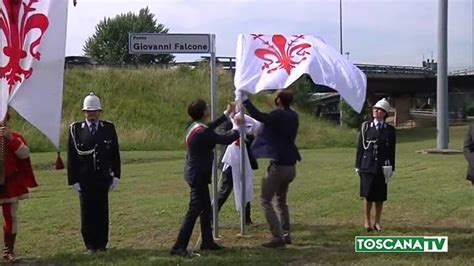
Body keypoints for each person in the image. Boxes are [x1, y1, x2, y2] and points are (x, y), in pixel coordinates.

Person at [170, 99, 241, 258]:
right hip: (198, 175)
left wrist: (226, 115)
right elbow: (226, 139)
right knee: (194, 211)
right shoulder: (203, 132)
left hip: (194, 173)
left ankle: (207, 242)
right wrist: (238, 126)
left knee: (205, 209)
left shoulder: (193, 126)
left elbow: (210, 126)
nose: (209, 107)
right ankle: (178, 246)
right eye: (207, 107)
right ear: (203, 112)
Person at [242, 90, 301, 249]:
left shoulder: (278, 115)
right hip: (291, 165)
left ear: (279, 100)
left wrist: (245, 100)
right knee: (281, 201)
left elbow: (259, 116)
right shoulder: (294, 116)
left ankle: (278, 237)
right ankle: (286, 234)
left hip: (279, 165)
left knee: (265, 200)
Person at [67, 92, 121, 254]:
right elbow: (72, 156)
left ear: (100, 112)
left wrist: (116, 175)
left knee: (102, 212)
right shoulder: (76, 130)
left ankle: (102, 244)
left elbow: (115, 154)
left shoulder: (108, 128)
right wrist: (73, 180)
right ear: (84, 112)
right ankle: (90, 245)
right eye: (89, 111)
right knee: (87, 213)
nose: (92, 114)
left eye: (95, 111)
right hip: (85, 179)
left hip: (103, 178)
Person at [0, 112, 38, 262]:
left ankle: (8, 250)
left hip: (9, 184)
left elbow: (24, 154)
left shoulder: (15, 137)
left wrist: (10, 139)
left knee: (11, 218)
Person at [355, 98, 396, 232]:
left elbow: (391, 150)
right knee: (368, 195)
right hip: (367, 165)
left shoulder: (390, 130)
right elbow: (360, 148)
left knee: (380, 196)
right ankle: (367, 221)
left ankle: (377, 221)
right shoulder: (366, 127)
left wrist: (392, 167)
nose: (376, 111)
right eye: (375, 109)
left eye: (379, 110)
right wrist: (358, 165)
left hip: (383, 166)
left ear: (385, 113)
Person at [214, 119, 258, 225]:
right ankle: (211, 216)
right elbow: (222, 136)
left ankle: (246, 218)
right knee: (224, 191)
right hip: (230, 162)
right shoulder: (226, 123)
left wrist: (246, 138)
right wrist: (236, 135)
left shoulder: (246, 122)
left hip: (244, 161)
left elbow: (252, 137)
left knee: (245, 189)